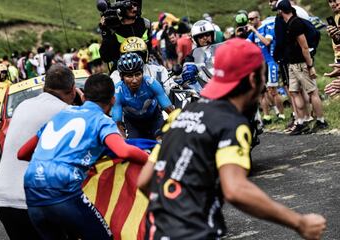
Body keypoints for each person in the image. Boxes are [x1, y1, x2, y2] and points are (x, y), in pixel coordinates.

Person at [137, 38, 326, 240]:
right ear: (254, 79)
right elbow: (235, 190)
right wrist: (299, 223)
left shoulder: (180, 115)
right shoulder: (231, 123)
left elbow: (144, 180)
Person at [18, 73, 149, 240]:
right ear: (113, 100)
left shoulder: (60, 115)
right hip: (63, 188)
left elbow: (22, 153)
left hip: (32, 189)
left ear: (84, 96)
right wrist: (150, 160)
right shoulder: (102, 120)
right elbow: (123, 150)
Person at [0, 64, 77, 240]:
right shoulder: (66, 112)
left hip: (2, 196)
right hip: (34, 200)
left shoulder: (23, 106)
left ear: (44, 87)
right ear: (73, 90)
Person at [277, 0, 328, 134]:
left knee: (312, 92)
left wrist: (310, 66)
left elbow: (305, 47)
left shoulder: (296, 24)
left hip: (301, 64)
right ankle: (301, 122)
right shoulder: (288, 23)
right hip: (292, 64)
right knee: (294, 91)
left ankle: (321, 121)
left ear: (280, 11)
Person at [112, 52, 174, 139]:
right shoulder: (117, 91)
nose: (134, 80)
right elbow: (117, 124)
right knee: (135, 148)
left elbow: (171, 112)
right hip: (133, 124)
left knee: (162, 143)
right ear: (122, 77)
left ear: (142, 73)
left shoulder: (151, 83)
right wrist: (123, 142)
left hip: (154, 119)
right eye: (129, 76)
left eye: (137, 74)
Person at [247, 11, 285, 124]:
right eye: (249, 19)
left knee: (273, 90)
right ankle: (267, 116)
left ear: (258, 18)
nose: (250, 21)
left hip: (270, 62)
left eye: (252, 18)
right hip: (260, 65)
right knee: (261, 91)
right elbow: (245, 44)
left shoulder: (267, 28)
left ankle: (281, 114)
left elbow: (267, 42)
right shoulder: (253, 32)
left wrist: (254, 31)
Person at [110, 36, 175, 95]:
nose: (133, 59)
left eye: (138, 54)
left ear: (145, 55)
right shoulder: (115, 75)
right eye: (129, 55)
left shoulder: (159, 71)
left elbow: (171, 88)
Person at [99, 0, 151, 72]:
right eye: (130, 6)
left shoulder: (145, 24)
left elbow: (150, 49)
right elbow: (106, 57)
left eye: (136, 5)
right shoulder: (113, 29)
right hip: (121, 72)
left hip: (144, 69)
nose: (134, 9)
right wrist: (105, 31)